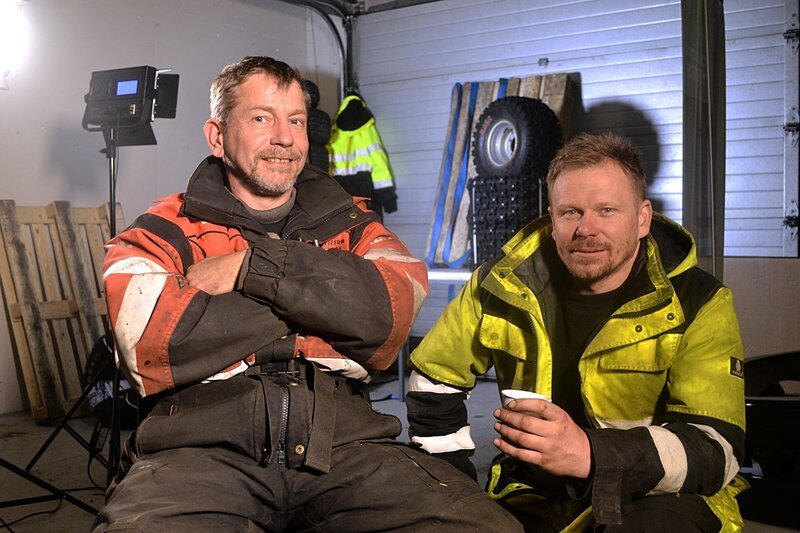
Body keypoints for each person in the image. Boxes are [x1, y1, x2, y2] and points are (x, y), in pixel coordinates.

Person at [93, 56, 522, 532]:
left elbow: (389, 315)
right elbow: (155, 343)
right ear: (216, 136)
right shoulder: (160, 231)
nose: (285, 137)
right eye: (261, 118)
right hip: (197, 455)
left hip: (346, 446)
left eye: (295, 120)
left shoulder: (355, 223)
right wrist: (327, 301)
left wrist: (250, 269)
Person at [406, 132, 748, 532]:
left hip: (658, 497)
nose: (586, 228)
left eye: (606, 210)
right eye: (570, 212)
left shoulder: (699, 302)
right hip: (531, 492)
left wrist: (589, 452)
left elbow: (715, 448)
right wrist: (455, 488)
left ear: (642, 219)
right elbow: (432, 381)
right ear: (551, 219)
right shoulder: (500, 285)